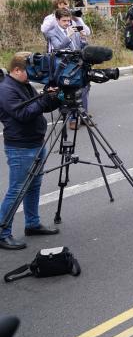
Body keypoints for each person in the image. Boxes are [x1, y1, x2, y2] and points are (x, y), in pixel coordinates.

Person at [0, 53, 62, 250]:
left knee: (34, 186)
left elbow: (40, 107)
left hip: (35, 142)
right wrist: (44, 100)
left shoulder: (23, 85)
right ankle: (2, 233)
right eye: (30, 72)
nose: (33, 75)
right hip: (20, 147)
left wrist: (54, 97)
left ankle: (32, 224)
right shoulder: (6, 89)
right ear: (16, 70)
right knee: (17, 190)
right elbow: (23, 114)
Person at [44, 8, 91, 119]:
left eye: (68, 21)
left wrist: (83, 39)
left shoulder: (72, 29)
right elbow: (58, 47)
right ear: (57, 20)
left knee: (84, 87)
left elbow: (81, 47)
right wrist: (68, 36)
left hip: (77, 64)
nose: (67, 23)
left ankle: (84, 115)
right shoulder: (51, 33)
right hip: (63, 66)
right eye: (64, 21)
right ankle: (70, 116)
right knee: (68, 91)